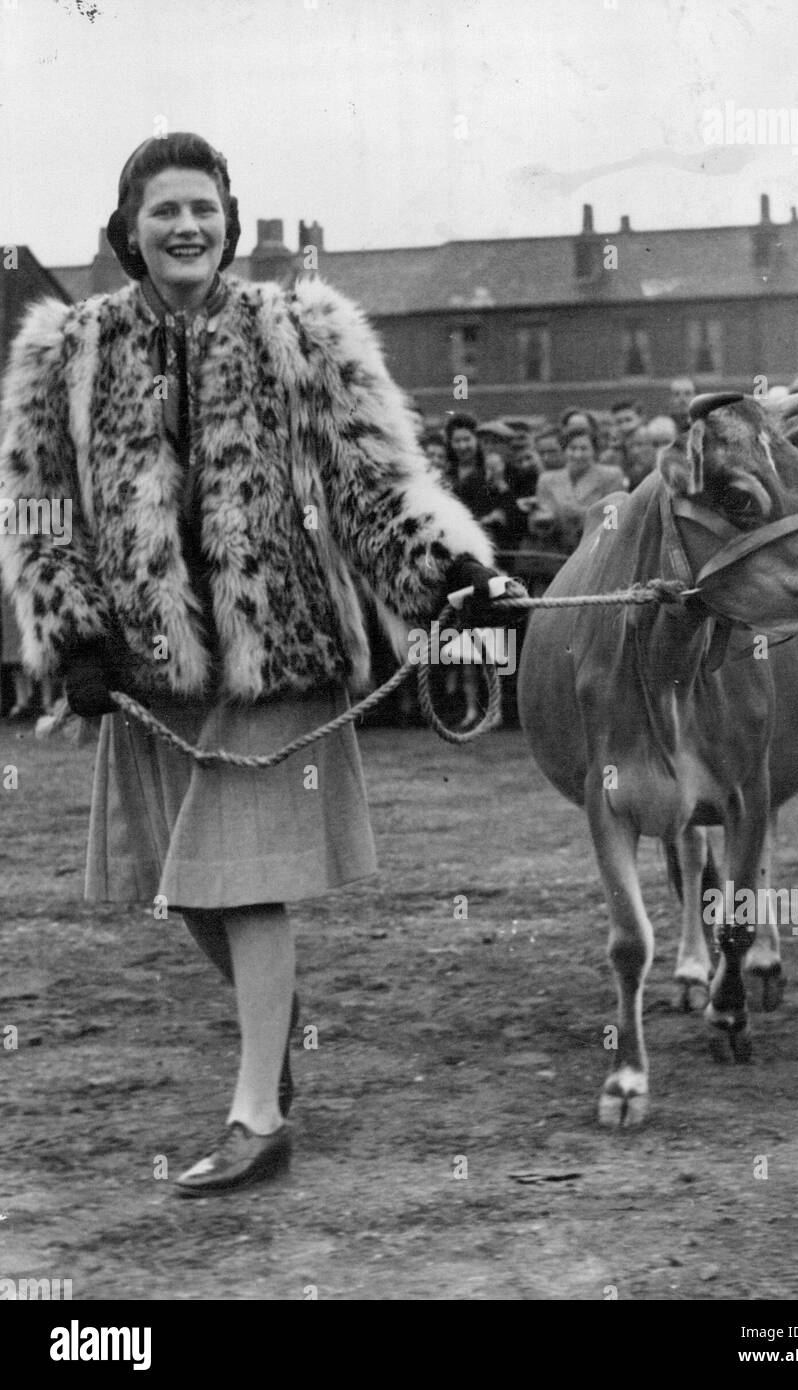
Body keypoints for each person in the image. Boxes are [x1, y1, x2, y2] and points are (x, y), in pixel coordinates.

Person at [0, 133, 523, 1196]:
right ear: (127, 228)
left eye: (203, 207)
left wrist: (457, 570)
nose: (185, 226)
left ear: (230, 221)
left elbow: (376, 477)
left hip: (277, 653)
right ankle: (268, 1029)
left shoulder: (300, 330)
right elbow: (39, 505)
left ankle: (255, 1112)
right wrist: (71, 632)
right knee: (181, 885)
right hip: (148, 664)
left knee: (240, 885)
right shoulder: (68, 348)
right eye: (162, 211)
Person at [527, 422, 625, 554]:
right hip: (556, 551)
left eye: (584, 449)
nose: (577, 455)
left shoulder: (611, 476)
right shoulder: (547, 479)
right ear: (564, 450)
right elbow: (540, 522)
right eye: (572, 448)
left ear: (594, 451)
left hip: (596, 550)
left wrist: (581, 514)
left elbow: (614, 520)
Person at [622, 424, 658, 492]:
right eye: (631, 446)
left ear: (654, 446)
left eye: (640, 444)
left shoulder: (664, 474)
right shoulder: (626, 474)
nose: (635, 451)